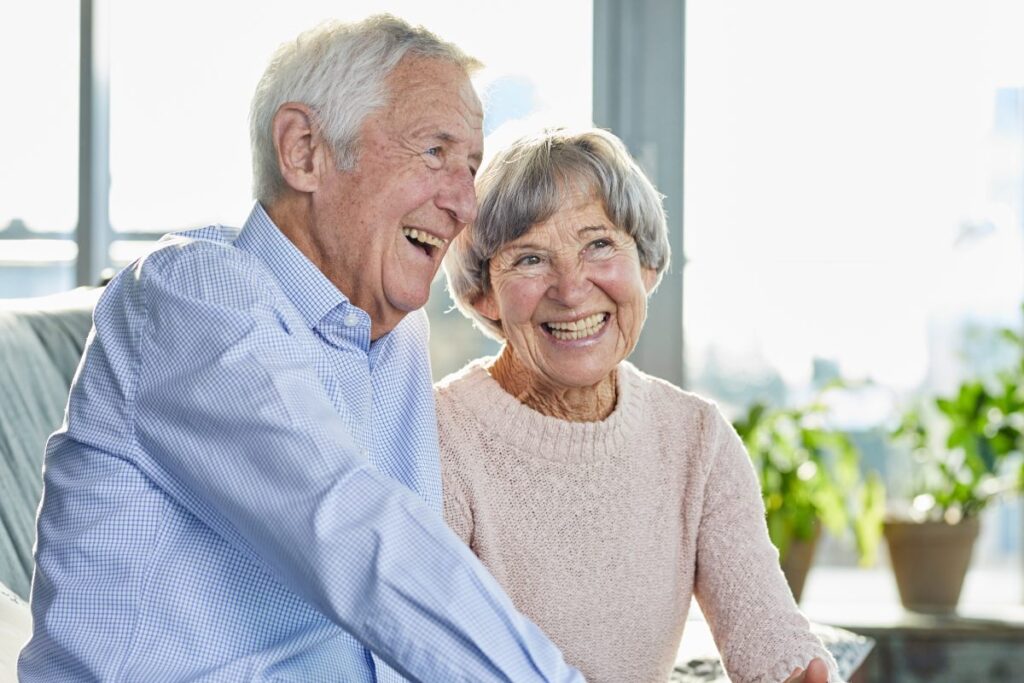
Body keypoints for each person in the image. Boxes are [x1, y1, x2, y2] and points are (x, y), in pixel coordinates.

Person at [19, 16, 584, 682]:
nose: (464, 203)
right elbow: (353, 530)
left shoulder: (397, 337)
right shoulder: (195, 294)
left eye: (471, 167)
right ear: (305, 150)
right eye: (435, 151)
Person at [439, 127, 841, 683]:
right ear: (484, 293)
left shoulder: (695, 437)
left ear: (646, 266)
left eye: (599, 244)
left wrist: (798, 672)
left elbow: (766, 630)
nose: (572, 287)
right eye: (530, 259)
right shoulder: (439, 437)